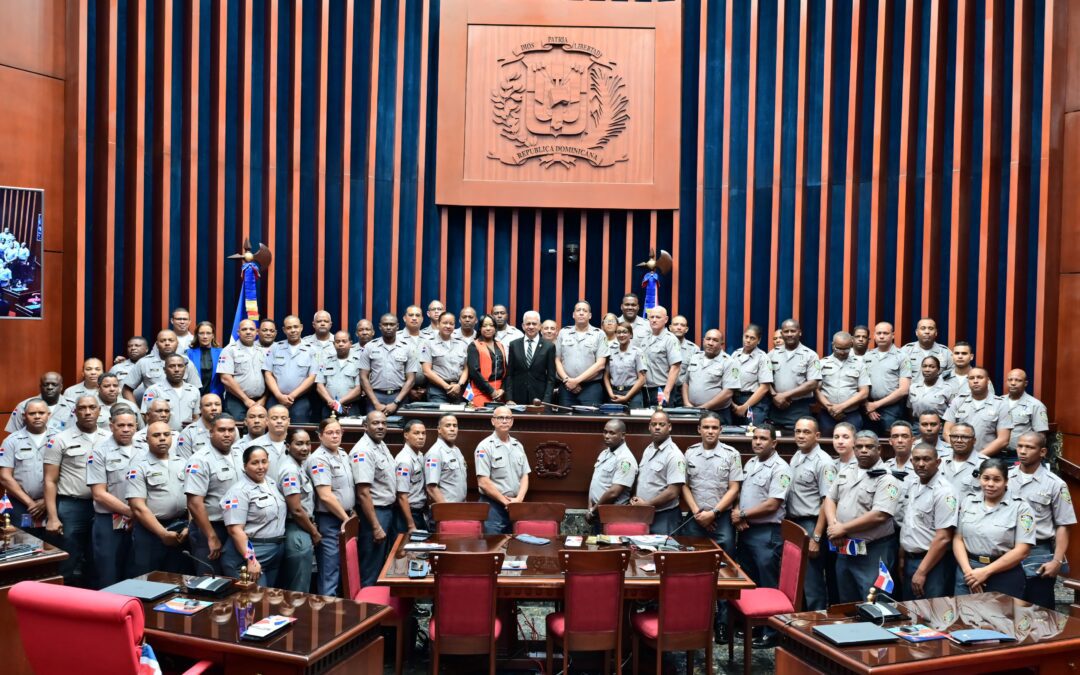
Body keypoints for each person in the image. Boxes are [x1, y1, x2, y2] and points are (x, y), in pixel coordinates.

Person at [823, 431, 901, 602]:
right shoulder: (847, 470)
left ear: (879, 449)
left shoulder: (887, 478)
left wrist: (842, 528)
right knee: (847, 603)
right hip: (845, 548)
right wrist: (833, 526)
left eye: (869, 447)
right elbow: (830, 498)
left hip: (874, 550)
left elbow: (880, 515)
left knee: (875, 603)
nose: (863, 450)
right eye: (859, 447)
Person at [732, 424, 791, 648]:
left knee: (768, 583)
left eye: (763, 439)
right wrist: (740, 515)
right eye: (755, 438)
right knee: (752, 582)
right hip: (748, 531)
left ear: (773, 443)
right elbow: (743, 494)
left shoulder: (781, 469)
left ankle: (772, 631)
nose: (757, 442)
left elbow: (773, 503)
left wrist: (742, 514)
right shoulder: (751, 462)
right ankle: (755, 626)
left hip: (767, 532)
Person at [43, 395, 108, 587]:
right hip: (72, 506)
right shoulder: (59, 440)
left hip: (103, 507)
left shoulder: (110, 437)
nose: (87, 412)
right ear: (75, 411)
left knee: (98, 559)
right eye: (82, 408)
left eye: (92, 407)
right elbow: (49, 480)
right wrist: (53, 517)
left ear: (99, 411)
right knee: (68, 561)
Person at [1008, 432, 1075, 608]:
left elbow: (1064, 525)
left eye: (1029, 447)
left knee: (1039, 613)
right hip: (1005, 550)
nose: (1023, 451)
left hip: (1037, 552)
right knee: (1005, 609)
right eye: (1020, 446)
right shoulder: (1005, 478)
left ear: (1043, 451)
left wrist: (1057, 561)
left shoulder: (1055, 484)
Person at [953, 458, 1035, 597]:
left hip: (1003, 574)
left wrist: (985, 572)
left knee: (1001, 618)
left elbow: (1023, 550)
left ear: (1006, 481)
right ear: (979, 479)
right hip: (968, 572)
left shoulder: (1021, 507)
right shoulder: (968, 502)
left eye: (997, 480)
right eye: (986, 478)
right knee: (966, 617)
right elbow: (958, 539)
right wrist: (969, 573)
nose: (990, 484)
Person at [126, 421, 189, 577]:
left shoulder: (183, 463)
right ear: (147, 439)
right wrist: (163, 534)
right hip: (151, 532)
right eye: (156, 435)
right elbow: (138, 507)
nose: (162, 438)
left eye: (166, 435)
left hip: (181, 529)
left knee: (178, 578)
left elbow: (193, 499)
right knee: (149, 578)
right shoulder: (138, 467)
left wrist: (190, 527)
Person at [184, 413, 243, 575]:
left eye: (231, 430)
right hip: (210, 527)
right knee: (209, 580)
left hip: (235, 528)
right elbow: (194, 503)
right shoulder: (200, 460)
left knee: (233, 580)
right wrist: (211, 536)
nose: (227, 434)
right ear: (211, 431)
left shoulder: (240, 455)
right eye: (222, 430)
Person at [220, 445, 287, 585]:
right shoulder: (238, 491)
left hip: (274, 552)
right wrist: (251, 559)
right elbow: (234, 530)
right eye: (254, 463)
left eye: (264, 461)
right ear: (245, 466)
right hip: (251, 554)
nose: (261, 467)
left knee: (268, 601)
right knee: (254, 602)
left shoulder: (271, 483)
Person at [786, 417, 835, 611]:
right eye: (798, 431)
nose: (800, 435)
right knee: (798, 578)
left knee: (812, 581)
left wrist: (816, 536)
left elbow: (827, 501)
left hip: (812, 524)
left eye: (806, 432)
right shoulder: (797, 456)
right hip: (796, 523)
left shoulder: (824, 462)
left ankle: (816, 624)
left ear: (817, 436)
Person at [86, 408, 138, 588]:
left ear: (136, 427)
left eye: (130, 425)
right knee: (109, 574)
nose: (126, 429)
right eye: (121, 425)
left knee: (136, 572)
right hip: (109, 521)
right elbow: (99, 494)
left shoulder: (145, 448)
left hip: (140, 522)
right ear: (111, 426)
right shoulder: (99, 453)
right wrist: (132, 512)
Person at [900, 442, 958, 600]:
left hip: (933, 564)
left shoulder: (944, 491)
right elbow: (909, 525)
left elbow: (944, 537)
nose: (921, 464)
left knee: (933, 615)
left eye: (926, 459)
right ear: (911, 462)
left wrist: (921, 571)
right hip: (910, 559)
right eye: (917, 459)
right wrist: (902, 557)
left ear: (938, 462)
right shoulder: (913, 483)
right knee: (910, 614)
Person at [307, 418, 355, 596]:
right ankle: (327, 617)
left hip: (345, 517)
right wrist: (346, 519)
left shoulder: (342, 453)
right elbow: (325, 495)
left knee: (345, 569)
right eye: (329, 432)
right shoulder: (318, 459)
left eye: (338, 432)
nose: (335, 436)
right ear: (320, 436)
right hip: (330, 520)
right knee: (330, 570)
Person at [351, 411, 398, 587]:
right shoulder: (363, 450)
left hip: (386, 511)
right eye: (375, 423)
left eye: (384, 423)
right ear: (365, 426)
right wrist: (376, 527)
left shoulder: (379, 443)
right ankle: (365, 610)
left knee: (380, 567)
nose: (380, 426)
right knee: (370, 569)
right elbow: (363, 492)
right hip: (374, 515)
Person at [276, 427, 321, 593]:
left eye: (308, 444)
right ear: (288, 446)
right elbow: (295, 509)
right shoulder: (290, 470)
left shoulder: (299, 465)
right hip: (297, 528)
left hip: (303, 526)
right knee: (298, 587)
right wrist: (314, 532)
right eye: (299, 444)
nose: (305, 448)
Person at [0, 399, 52, 539]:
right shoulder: (11, 441)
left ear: (49, 414)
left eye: (41, 413)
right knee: (23, 547)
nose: (37, 416)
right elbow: (5, 477)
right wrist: (30, 503)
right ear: (24, 416)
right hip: (21, 505)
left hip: (53, 504)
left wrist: (46, 501)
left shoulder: (59, 439)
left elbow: (67, 474)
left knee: (54, 549)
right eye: (32, 413)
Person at [475, 406, 530, 534]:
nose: (504, 421)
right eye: (500, 418)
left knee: (515, 548)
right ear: (493, 421)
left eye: (508, 418)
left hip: (515, 505)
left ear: (512, 421)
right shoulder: (484, 447)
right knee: (493, 547)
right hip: (493, 507)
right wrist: (505, 502)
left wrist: (519, 499)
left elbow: (525, 476)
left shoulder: (518, 446)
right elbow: (483, 482)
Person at [631, 411, 686, 534]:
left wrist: (647, 505)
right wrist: (636, 498)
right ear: (649, 427)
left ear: (669, 427)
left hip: (665, 517)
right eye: (654, 424)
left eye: (661, 424)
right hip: (644, 514)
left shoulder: (674, 455)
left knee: (663, 551)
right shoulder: (649, 448)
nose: (657, 427)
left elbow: (673, 492)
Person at [358, 313, 418, 414]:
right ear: (380, 327)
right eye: (385, 324)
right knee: (374, 428)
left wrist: (396, 402)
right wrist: (375, 403)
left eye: (392, 324)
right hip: (375, 396)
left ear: (397, 326)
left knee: (400, 428)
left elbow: (411, 379)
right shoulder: (370, 347)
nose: (388, 327)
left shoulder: (408, 347)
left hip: (399, 396)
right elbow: (363, 377)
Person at [944, 368, 1012, 457]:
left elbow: (1003, 440)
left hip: (988, 459)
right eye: (971, 378)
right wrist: (959, 451)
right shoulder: (958, 401)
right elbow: (947, 432)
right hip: (959, 457)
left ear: (988, 381)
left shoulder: (1001, 404)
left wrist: (977, 457)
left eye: (979, 377)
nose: (975, 381)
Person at [766, 319, 821, 429]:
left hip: (799, 407)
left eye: (793, 331)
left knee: (798, 441)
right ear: (782, 334)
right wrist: (774, 396)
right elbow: (765, 379)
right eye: (786, 331)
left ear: (799, 332)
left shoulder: (810, 355)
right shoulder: (772, 354)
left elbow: (813, 383)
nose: (789, 334)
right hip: (776, 407)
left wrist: (785, 395)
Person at [586, 419, 639, 532]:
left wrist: (593, 511)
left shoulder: (626, 459)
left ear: (623, 435)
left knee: (609, 548)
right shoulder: (605, 453)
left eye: (612, 433)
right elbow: (595, 482)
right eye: (605, 432)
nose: (606, 436)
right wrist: (590, 508)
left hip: (613, 516)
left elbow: (614, 492)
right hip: (597, 513)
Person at [264, 316, 318, 423]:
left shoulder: (311, 350)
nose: (293, 330)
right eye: (289, 328)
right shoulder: (275, 348)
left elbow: (312, 377)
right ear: (284, 330)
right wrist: (279, 395)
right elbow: (268, 374)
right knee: (272, 427)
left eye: (295, 327)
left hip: (300, 399)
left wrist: (292, 396)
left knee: (299, 431)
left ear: (301, 327)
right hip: (276, 398)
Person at [122, 330, 201, 403]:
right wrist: (137, 411)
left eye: (171, 340)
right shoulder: (144, 362)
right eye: (163, 341)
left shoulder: (186, 362)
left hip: (181, 412)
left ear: (177, 343)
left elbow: (195, 390)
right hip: (154, 413)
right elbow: (127, 389)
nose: (167, 343)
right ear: (157, 344)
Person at [555, 301, 609, 407]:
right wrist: (567, 380)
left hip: (591, 388)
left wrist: (576, 381)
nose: (581, 313)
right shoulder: (563, 332)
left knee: (591, 422)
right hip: (566, 387)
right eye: (578, 310)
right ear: (573, 314)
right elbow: (557, 359)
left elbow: (601, 364)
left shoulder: (599, 334)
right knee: (564, 421)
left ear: (590, 315)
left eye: (585, 310)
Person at [862, 322, 912, 436]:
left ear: (893, 335)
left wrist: (876, 405)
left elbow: (904, 389)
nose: (882, 336)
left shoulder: (902, 356)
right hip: (868, 408)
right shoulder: (867, 356)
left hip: (892, 408)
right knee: (869, 440)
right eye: (879, 333)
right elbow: (859, 384)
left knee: (891, 441)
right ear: (874, 336)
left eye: (885, 333)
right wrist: (868, 405)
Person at [815, 331, 869, 434]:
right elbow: (816, 389)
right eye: (839, 348)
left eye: (846, 349)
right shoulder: (822, 363)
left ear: (851, 345)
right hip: (827, 414)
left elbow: (864, 392)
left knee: (852, 444)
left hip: (851, 414)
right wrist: (830, 408)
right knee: (826, 444)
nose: (842, 352)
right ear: (833, 345)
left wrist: (841, 407)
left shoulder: (860, 365)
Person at [682, 329, 739, 421]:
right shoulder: (695, 357)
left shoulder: (729, 362)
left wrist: (703, 408)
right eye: (708, 339)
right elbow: (686, 383)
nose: (710, 343)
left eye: (715, 340)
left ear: (722, 343)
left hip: (717, 413)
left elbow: (728, 392)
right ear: (703, 340)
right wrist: (686, 403)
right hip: (691, 410)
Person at [217, 319, 267, 418]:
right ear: (238, 332)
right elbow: (225, 378)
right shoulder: (229, 350)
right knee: (238, 429)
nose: (248, 332)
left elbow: (269, 376)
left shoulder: (263, 351)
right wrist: (246, 399)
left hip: (260, 400)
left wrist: (264, 399)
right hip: (236, 400)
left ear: (257, 332)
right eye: (244, 329)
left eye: (251, 329)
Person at [505, 311, 557, 405]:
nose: (531, 326)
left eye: (534, 324)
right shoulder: (514, 345)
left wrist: (546, 400)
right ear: (523, 326)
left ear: (540, 326)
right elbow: (509, 374)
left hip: (540, 398)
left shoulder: (549, 346)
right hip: (517, 399)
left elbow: (551, 377)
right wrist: (509, 398)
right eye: (528, 323)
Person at [141, 355, 201, 431]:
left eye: (180, 366)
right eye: (172, 366)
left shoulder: (194, 390)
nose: (176, 369)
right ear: (164, 370)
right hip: (163, 436)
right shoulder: (153, 390)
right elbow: (145, 416)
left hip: (186, 437)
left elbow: (196, 417)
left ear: (185, 369)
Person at [421, 313, 469, 403]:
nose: (448, 326)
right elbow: (426, 371)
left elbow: (466, 369)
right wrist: (446, 386)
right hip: (437, 391)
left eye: (451, 323)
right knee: (440, 417)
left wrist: (459, 385)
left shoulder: (462, 344)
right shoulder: (428, 344)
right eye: (445, 323)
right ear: (438, 324)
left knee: (458, 417)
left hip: (457, 389)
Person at [640, 306, 682, 407]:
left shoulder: (670, 339)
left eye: (658, 317)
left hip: (662, 389)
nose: (654, 320)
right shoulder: (645, 339)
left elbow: (675, 367)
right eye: (652, 317)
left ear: (666, 319)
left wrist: (666, 392)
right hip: (645, 389)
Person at [315, 330, 364, 417]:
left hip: (350, 408)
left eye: (344, 341)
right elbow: (319, 385)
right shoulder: (325, 361)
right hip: (328, 407)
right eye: (337, 342)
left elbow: (358, 389)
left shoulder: (359, 362)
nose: (340, 344)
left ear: (350, 343)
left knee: (351, 430)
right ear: (334, 344)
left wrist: (338, 403)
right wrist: (331, 402)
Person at [8, 372, 74, 434]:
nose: (50, 387)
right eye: (46, 384)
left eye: (54, 384)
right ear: (40, 387)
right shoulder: (24, 406)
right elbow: (14, 434)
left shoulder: (73, 406)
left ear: (61, 387)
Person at [394, 420, 429, 536]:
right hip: (408, 515)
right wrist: (411, 525)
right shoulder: (405, 460)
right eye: (416, 433)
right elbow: (402, 496)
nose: (421, 437)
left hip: (419, 512)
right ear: (406, 435)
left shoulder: (419, 455)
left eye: (423, 433)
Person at [425, 415, 469, 505]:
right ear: (439, 429)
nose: (452, 429)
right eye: (448, 425)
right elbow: (431, 488)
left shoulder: (456, 450)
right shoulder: (435, 453)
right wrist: (447, 511)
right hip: (447, 511)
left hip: (460, 508)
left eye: (455, 425)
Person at [1004, 369, 1050, 455]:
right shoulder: (999, 402)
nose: (1013, 383)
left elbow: (1041, 436)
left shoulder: (1036, 405)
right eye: (1010, 380)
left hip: (1020, 455)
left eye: (1018, 380)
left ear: (1025, 383)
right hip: (997, 453)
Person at [466, 314, 507, 407]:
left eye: (491, 325)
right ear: (480, 328)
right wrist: (491, 391)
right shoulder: (473, 346)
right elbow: (474, 373)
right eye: (484, 326)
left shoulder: (500, 345)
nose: (488, 328)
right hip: (481, 391)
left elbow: (506, 371)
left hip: (500, 393)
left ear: (495, 328)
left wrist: (502, 389)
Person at [604, 322, 647, 408]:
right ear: (615, 334)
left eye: (625, 332)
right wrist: (610, 393)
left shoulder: (638, 352)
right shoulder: (611, 351)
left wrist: (626, 397)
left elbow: (642, 379)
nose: (621, 335)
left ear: (630, 335)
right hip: (614, 393)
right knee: (613, 421)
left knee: (633, 420)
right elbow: (606, 376)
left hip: (632, 393)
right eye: (618, 332)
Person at [900, 318, 955, 384]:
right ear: (916, 332)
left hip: (938, 393)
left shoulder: (946, 353)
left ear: (936, 332)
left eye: (931, 328)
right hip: (912, 393)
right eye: (923, 328)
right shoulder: (906, 351)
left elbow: (952, 376)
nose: (927, 331)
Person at [177, 394, 223, 459]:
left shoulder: (230, 430)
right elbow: (183, 463)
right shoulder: (188, 433)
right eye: (208, 405)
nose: (214, 408)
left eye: (217, 404)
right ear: (200, 409)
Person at [186, 321, 224, 397]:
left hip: (215, 396)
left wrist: (213, 395)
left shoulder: (222, 352)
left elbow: (225, 378)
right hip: (193, 396)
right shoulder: (188, 353)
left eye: (208, 333)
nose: (205, 336)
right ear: (197, 335)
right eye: (201, 333)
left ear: (213, 335)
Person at [670, 315, 699, 408]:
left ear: (686, 329)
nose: (679, 327)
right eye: (676, 324)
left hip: (684, 392)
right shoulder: (660, 345)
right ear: (670, 328)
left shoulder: (694, 349)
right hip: (664, 389)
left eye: (682, 325)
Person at [110, 337, 150, 405]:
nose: (133, 348)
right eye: (129, 346)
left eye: (137, 345)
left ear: (146, 349)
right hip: (125, 409)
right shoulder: (117, 368)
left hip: (150, 407)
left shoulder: (154, 366)